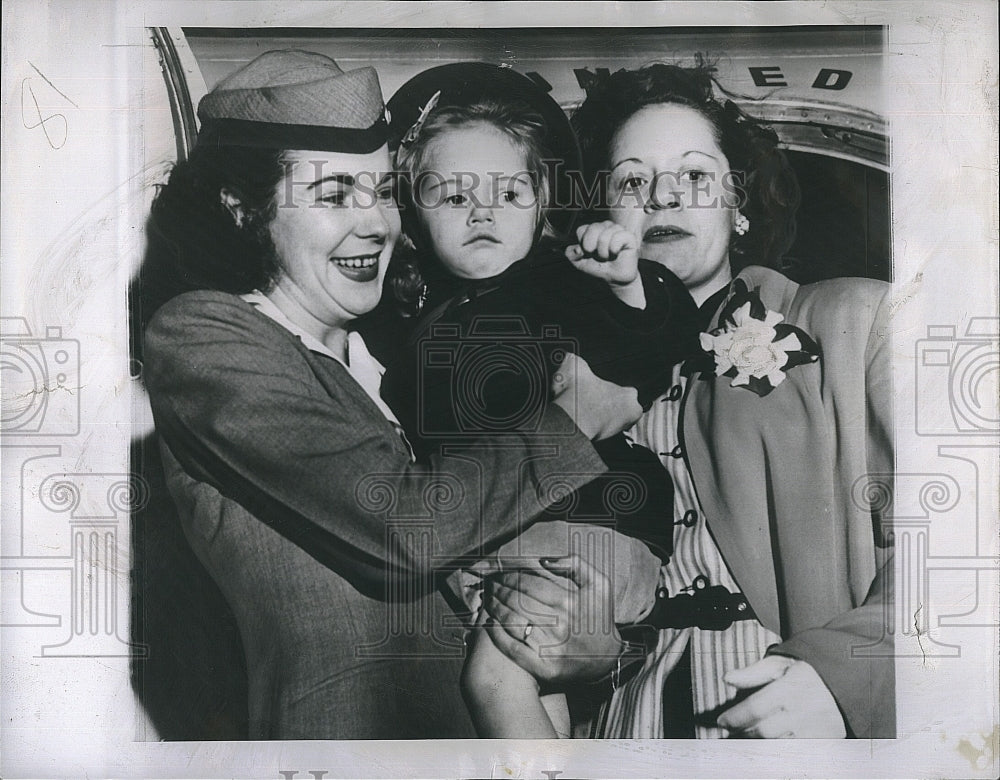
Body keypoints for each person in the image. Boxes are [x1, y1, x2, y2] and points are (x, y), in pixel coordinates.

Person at [140, 50, 642, 739]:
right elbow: (406, 528)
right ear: (244, 210)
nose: (376, 223)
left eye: (381, 192)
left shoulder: (394, 353)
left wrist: (588, 647)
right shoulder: (208, 336)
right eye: (333, 194)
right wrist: (574, 421)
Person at [481, 60, 895, 739]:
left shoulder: (856, 321)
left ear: (739, 209)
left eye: (695, 176)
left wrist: (847, 675)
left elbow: (963, 536)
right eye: (634, 181)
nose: (663, 198)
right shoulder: (562, 375)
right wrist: (590, 653)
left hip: (789, 713)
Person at [359, 62, 704, 737]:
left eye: (509, 194)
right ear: (411, 215)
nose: (484, 212)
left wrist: (627, 282)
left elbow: (658, 338)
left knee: (492, 679)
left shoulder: (559, 279)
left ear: (542, 201)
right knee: (538, 699)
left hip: (588, 520)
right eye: (454, 198)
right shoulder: (418, 316)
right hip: (500, 532)